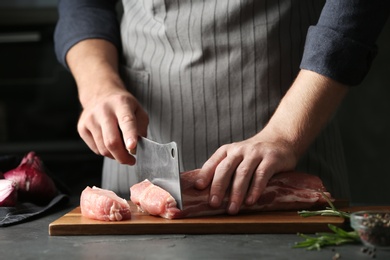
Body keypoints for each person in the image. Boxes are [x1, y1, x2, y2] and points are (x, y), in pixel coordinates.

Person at [55, 0, 389, 215]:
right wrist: (99, 87)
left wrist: (286, 132)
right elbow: (84, 5)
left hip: (291, 126)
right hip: (141, 145)